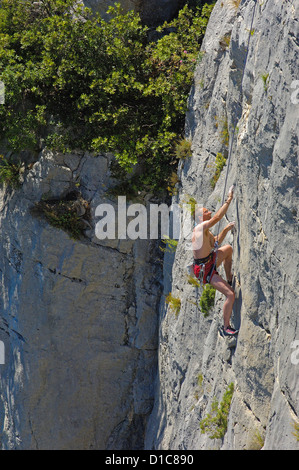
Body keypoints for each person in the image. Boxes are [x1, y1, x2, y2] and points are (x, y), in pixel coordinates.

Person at [192, 186, 238, 336]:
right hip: (205, 270)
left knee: (228, 249)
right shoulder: (199, 228)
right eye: (206, 212)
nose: (209, 212)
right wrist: (229, 199)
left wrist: (225, 230)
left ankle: (229, 278)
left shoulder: (206, 232)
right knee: (230, 295)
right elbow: (217, 217)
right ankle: (226, 327)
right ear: (200, 218)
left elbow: (216, 242)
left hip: (209, 261)